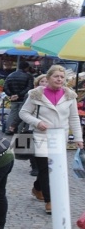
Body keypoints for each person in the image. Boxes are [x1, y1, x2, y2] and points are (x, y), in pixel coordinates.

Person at [19, 65, 83, 215]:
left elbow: (74, 118)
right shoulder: (36, 94)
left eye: (62, 77)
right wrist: (37, 122)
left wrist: (79, 138)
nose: (59, 79)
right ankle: (50, 201)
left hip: (60, 136)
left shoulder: (70, 95)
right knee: (45, 168)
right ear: (47, 78)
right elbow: (23, 113)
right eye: (56, 77)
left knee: (54, 168)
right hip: (41, 135)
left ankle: (38, 188)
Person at [9, 74, 48, 176]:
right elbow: (23, 111)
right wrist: (14, 124)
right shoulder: (31, 94)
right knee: (33, 147)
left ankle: (42, 165)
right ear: (37, 84)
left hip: (47, 126)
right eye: (42, 82)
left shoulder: (52, 96)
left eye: (46, 82)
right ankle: (34, 167)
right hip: (31, 125)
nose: (44, 84)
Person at [3, 61, 34, 135]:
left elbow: (5, 87)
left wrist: (11, 95)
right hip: (23, 99)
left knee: (12, 113)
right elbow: (29, 88)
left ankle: (8, 129)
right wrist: (19, 95)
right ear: (26, 68)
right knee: (22, 115)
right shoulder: (28, 76)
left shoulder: (10, 75)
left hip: (13, 99)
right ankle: (19, 131)